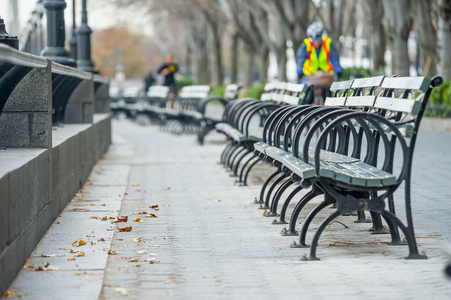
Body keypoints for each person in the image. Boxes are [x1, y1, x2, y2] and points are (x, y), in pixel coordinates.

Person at [296, 22, 343, 104]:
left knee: (328, 96)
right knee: (308, 96)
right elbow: (301, 58)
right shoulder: (306, 45)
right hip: (311, 75)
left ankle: (328, 111)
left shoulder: (328, 43)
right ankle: (307, 111)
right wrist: (300, 71)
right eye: (314, 41)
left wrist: (338, 69)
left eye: (318, 40)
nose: (316, 43)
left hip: (326, 75)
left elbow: (334, 57)